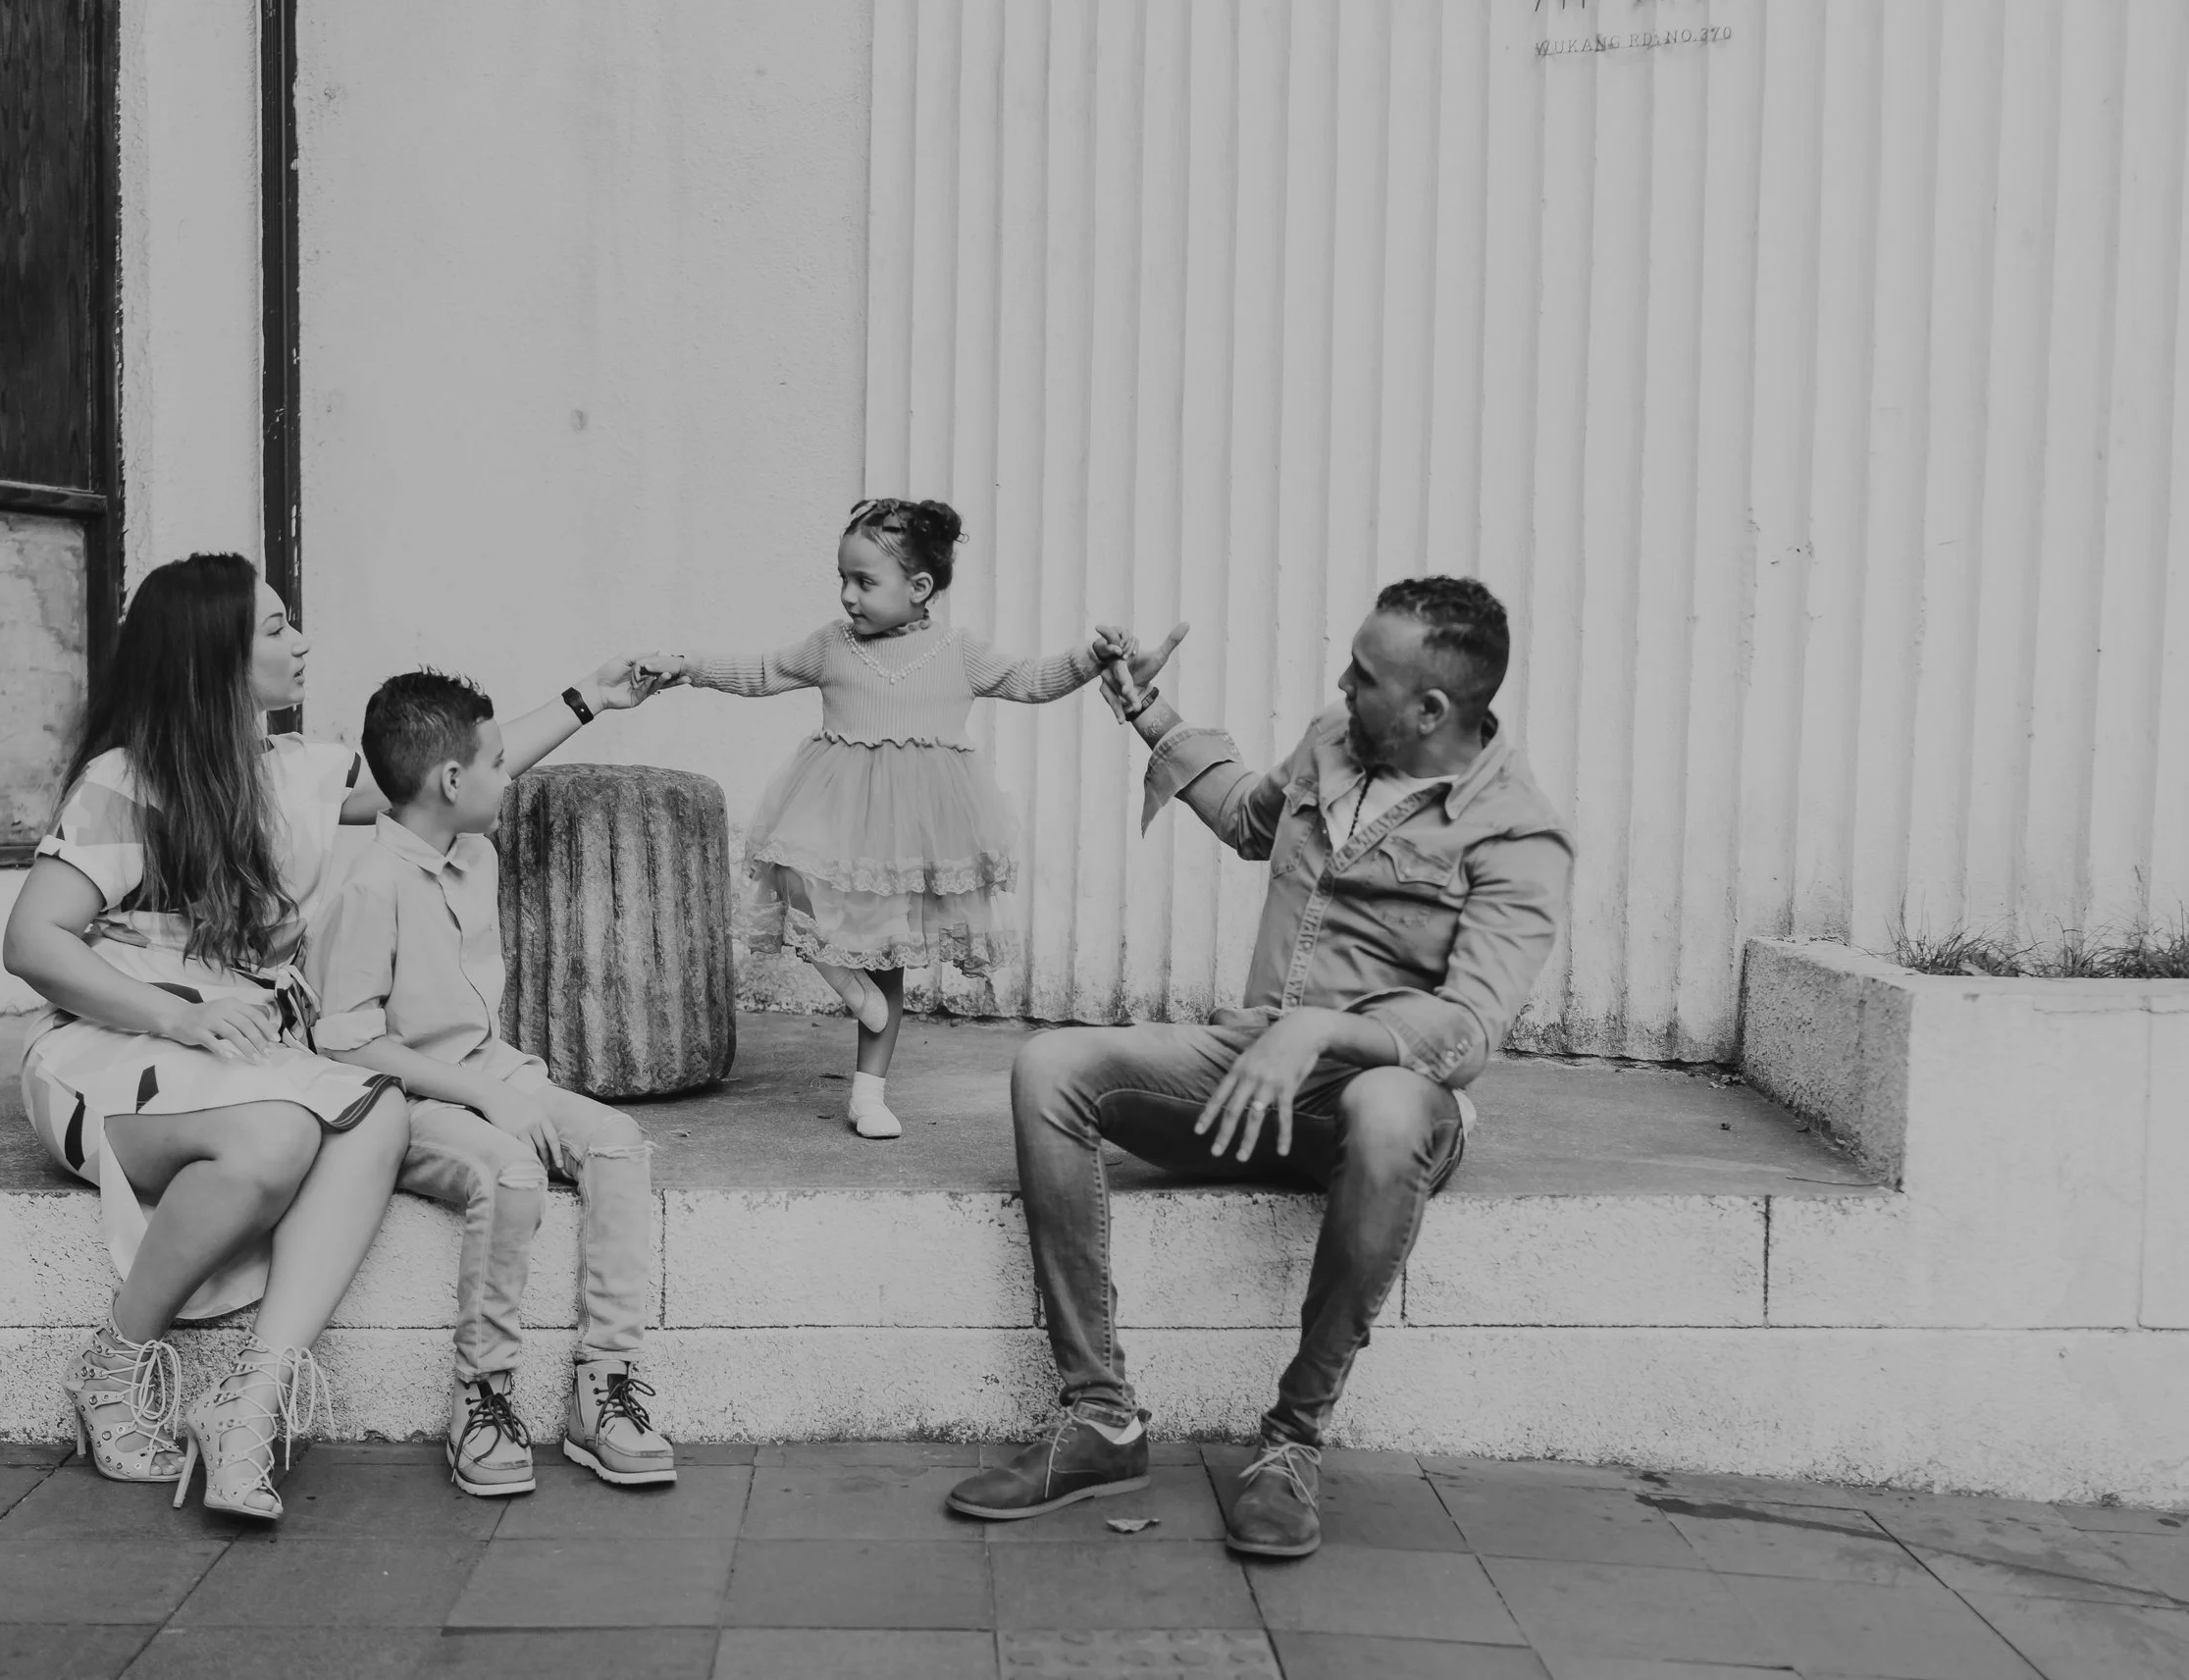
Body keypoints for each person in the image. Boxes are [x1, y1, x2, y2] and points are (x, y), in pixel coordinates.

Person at [2, 552, 655, 1522]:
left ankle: (250, 1400)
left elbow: (450, 770)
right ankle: (112, 1368)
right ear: (212, 659)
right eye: (273, 628)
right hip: (114, 1061)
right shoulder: (125, 784)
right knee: (281, 1133)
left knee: (374, 1110)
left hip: (248, 1061)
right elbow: (31, 940)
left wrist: (587, 697)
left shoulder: (295, 772)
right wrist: (179, 1014)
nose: (300, 642)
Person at [945, 576, 1573, 1558]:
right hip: (1251, 1081)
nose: (1339, 682)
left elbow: (1468, 1029)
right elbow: (1249, 817)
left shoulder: (1519, 835)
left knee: (1392, 1110)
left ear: (1431, 710)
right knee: (1050, 1068)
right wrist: (1145, 709)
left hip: (1377, 1112)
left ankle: (1290, 1446)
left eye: (1363, 675)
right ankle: (1100, 1419)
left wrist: (1320, 1029)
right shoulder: (1335, 740)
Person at [630, 498, 1124, 1139]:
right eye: (843, 578)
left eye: (865, 581)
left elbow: (1031, 679)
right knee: (790, 878)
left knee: (888, 955)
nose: (847, 595)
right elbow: (760, 671)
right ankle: (840, 974)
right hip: (835, 811)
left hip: (915, 828)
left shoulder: (959, 652)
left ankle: (869, 1093)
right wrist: (687, 665)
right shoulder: (831, 646)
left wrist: (1091, 658)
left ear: (919, 588)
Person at [306, 669, 674, 1496]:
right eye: (498, 761)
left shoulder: (475, 851)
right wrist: (484, 1098)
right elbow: (347, 1044)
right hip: (408, 1100)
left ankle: (603, 1387)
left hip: (492, 1071)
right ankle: (484, 1395)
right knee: (509, 1175)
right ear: (449, 780)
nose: (510, 776)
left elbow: (476, 1035)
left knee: (617, 1145)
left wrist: (500, 1086)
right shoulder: (370, 887)